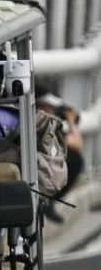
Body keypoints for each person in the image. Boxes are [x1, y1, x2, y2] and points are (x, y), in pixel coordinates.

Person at [36, 91, 83, 222]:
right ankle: (48, 200)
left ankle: (48, 200)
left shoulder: (45, 121)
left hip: (41, 163)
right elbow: (77, 144)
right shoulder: (43, 122)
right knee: (75, 160)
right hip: (40, 165)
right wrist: (71, 121)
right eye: (50, 108)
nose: (53, 111)